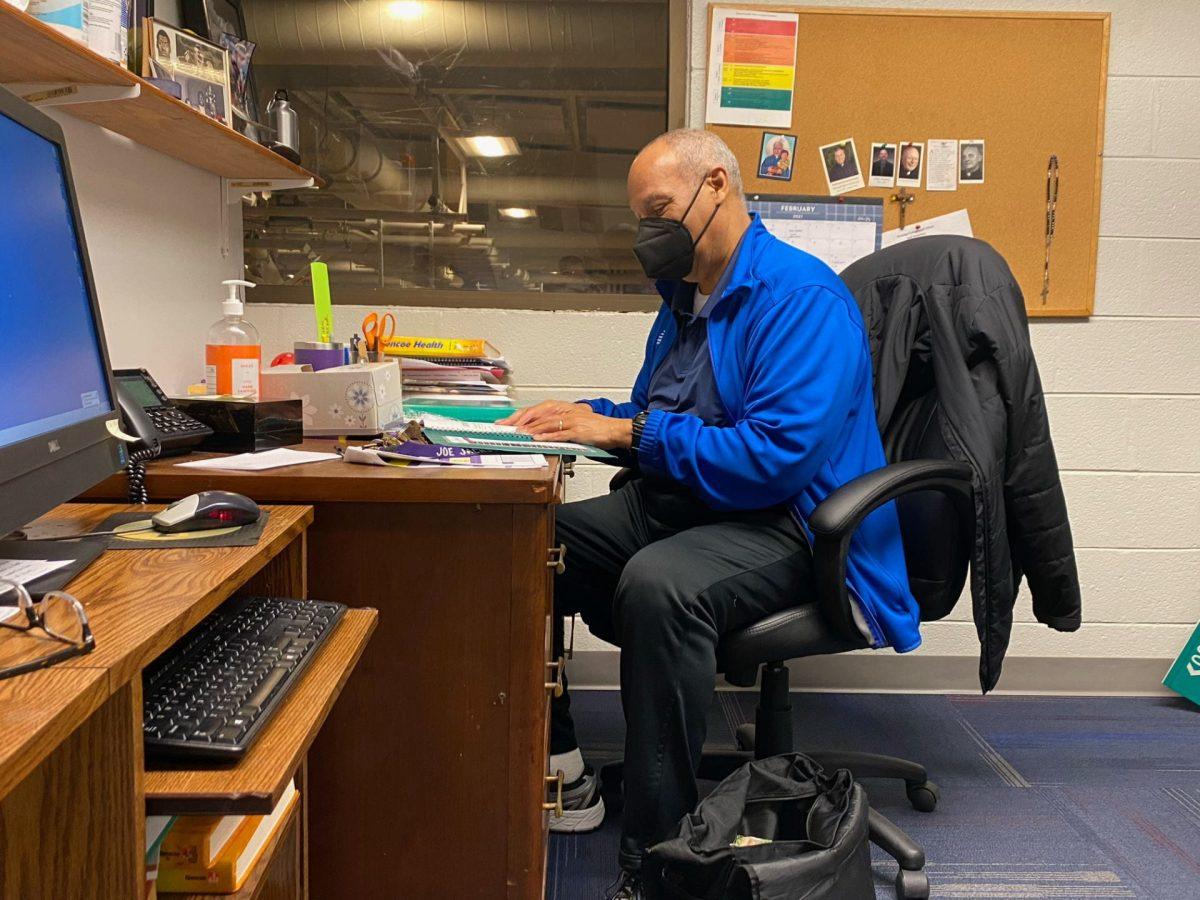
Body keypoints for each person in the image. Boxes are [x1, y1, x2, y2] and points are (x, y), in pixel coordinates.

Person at [499, 129, 916, 899]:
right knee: (523, 548)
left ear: (717, 185)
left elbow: (773, 459)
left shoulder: (800, 299)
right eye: (641, 215)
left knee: (660, 586)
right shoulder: (686, 298)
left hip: (795, 521)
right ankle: (558, 769)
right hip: (699, 503)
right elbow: (662, 412)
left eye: (660, 208)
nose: (648, 229)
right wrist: (583, 416)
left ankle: (658, 861)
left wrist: (627, 431)